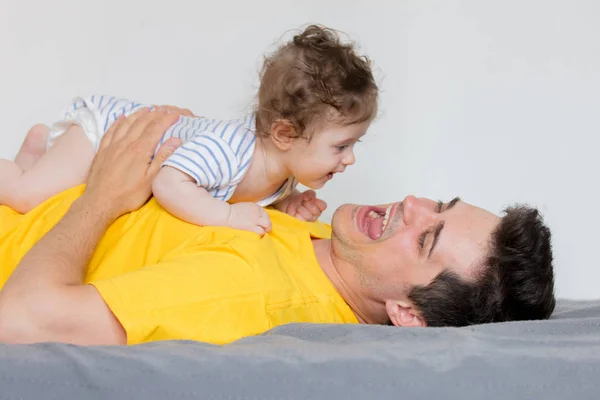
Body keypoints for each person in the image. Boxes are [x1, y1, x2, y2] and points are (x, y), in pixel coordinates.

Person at [0, 109, 555, 347]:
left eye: (426, 237)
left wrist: (103, 196)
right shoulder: (324, 243)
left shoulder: (247, 292)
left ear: (408, 313)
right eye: (440, 203)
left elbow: (20, 322)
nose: (411, 203)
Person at [0, 25, 378, 235]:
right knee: (25, 196)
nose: (350, 158)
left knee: (43, 183)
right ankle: (19, 173)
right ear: (284, 134)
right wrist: (228, 218)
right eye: (341, 146)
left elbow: (247, 198)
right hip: (107, 132)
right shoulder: (231, 151)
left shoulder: (282, 172)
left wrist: (285, 205)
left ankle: (33, 152)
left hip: (119, 135)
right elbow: (169, 182)